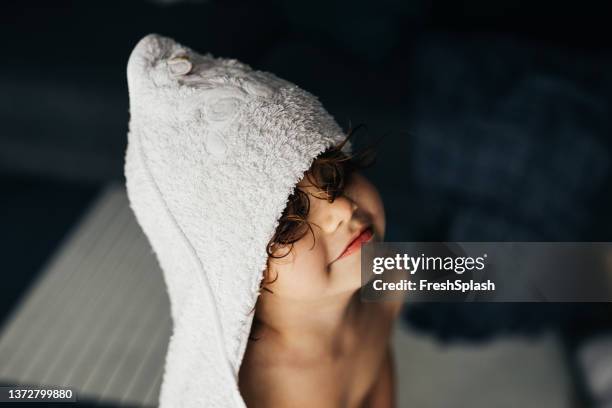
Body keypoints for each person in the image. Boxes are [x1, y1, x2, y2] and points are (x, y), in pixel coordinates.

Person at [125, 33, 402, 408]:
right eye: (290, 223)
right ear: (239, 275)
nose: (341, 210)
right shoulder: (258, 390)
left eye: (336, 175)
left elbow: (377, 372)